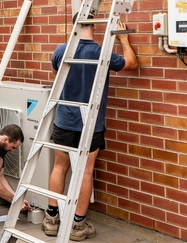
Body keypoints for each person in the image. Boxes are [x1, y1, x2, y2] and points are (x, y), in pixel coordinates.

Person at [43, 17, 138, 241]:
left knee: (59, 167)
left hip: (64, 120)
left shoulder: (61, 50)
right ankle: (78, 226)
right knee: (85, 171)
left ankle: (51, 219)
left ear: (75, 26)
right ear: (95, 26)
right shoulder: (102, 52)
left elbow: (59, 71)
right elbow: (132, 64)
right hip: (91, 123)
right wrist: (123, 39)